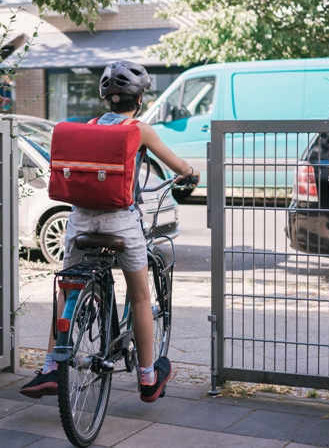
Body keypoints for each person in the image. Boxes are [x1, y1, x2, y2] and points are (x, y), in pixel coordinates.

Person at [19, 60, 201, 403]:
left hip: (80, 222)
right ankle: (148, 378)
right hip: (120, 221)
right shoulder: (140, 130)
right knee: (141, 297)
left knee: (66, 290)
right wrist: (190, 172)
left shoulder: (88, 126)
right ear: (140, 99)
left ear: (107, 100)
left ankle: (49, 369)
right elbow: (177, 166)